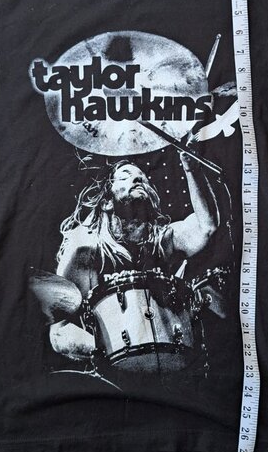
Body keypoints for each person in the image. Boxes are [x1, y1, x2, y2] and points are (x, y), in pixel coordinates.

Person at [48, 151, 220, 356]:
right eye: (125, 177)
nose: (138, 179)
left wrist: (192, 168)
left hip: (168, 360)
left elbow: (206, 226)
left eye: (143, 179)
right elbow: (59, 331)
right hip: (109, 367)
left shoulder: (163, 241)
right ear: (106, 202)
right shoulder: (86, 252)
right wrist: (106, 351)